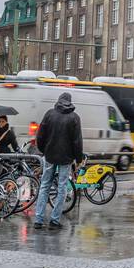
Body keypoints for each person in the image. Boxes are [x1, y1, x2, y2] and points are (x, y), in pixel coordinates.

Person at [33, 91, 83, 231]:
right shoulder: (74, 118)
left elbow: (40, 136)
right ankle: (54, 220)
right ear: (70, 101)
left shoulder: (49, 114)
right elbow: (77, 141)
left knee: (45, 185)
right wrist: (78, 158)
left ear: (59, 100)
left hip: (49, 155)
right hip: (66, 158)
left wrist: (44, 150)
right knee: (62, 188)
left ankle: (39, 218)